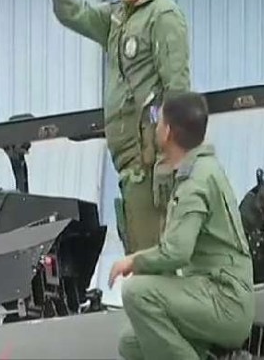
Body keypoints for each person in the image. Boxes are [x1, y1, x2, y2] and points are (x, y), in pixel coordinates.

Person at [47, 0, 192, 254]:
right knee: (141, 260)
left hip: (153, 169)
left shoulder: (163, 16)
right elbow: (69, 12)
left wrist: (169, 162)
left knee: (155, 267)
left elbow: (177, 94)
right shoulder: (115, 19)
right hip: (130, 171)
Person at [107, 91, 255, 360]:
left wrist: (133, 261)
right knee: (131, 343)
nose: (155, 125)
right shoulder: (202, 169)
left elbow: (177, 252)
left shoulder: (196, 180)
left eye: (158, 118)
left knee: (137, 293)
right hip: (211, 292)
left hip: (224, 300)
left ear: (168, 132)